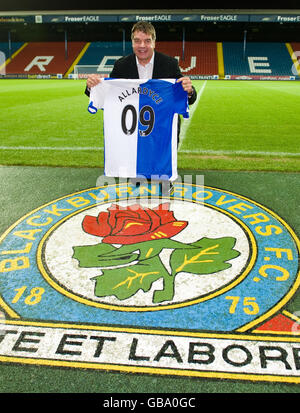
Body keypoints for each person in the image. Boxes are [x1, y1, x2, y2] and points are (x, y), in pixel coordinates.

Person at [85, 21, 197, 140]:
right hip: (130, 135)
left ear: (154, 42)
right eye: (137, 41)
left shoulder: (169, 64)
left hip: (162, 134)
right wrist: (92, 86)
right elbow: (109, 93)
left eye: (147, 41)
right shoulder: (121, 65)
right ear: (132, 42)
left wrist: (189, 91)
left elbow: (188, 98)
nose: (142, 45)